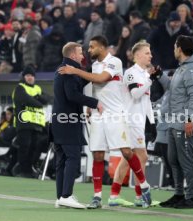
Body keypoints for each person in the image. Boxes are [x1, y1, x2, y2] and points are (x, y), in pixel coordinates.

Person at [58, 35, 152, 209]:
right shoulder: (93, 65)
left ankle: (144, 186)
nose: (89, 50)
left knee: (126, 151)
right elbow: (96, 86)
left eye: (92, 47)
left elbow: (101, 78)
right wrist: (90, 105)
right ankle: (97, 197)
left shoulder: (114, 62)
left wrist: (75, 71)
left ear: (102, 47)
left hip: (116, 114)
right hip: (98, 115)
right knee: (98, 155)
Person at [107, 42, 159, 207]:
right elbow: (136, 94)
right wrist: (151, 80)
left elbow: (146, 101)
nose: (150, 56)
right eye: (147, 53)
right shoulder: (130, 73)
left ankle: (115, 195)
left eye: (150, 53)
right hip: (130, 120)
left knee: (128, 157)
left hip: (139, 121)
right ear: (137, 55)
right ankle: (139, 196)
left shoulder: (143, 74)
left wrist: (151, 122)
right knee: (141, 156)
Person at [52, 42, 102, 209]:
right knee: (72, 158)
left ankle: (61, 196)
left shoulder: (62, 69)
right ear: (73, 55)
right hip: (68, 122)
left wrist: (91, 75)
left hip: (58, 122)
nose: (83, 56)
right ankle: (66, 195)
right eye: (80, 53)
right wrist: (95, 102)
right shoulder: (68, 72)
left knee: (62, 160)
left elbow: (76, 86)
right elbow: (72, 95)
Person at [158, 35, 193, 209]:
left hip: (185, 121)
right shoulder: (182, 68)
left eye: (175, 46)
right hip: (174, 121)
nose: (173, 49)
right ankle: (179, 194)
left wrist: (191, 118)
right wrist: (159, 76)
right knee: (173, 159)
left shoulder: (192, 70)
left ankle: (191, 198)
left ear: (180, 49)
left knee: (185, 159)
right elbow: (171, 88)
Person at [12, 66, 48, 178]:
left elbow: (47, 99)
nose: (30, 77)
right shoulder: (20, 88)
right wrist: (38, 101)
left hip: (36, 124)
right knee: (25, 147)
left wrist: (36, 98)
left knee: (33, 148)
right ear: (24, 77)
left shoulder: (38, 88)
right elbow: (27, 100)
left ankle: (29, 170)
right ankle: (23, 170)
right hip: (24, 123)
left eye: (32, 75)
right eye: (27, 75)